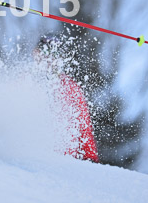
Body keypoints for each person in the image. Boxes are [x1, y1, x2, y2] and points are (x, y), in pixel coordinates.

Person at [33, 33, 99, 162]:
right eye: (46, 52)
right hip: (33, 156)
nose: (50, 59)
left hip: (64, 160)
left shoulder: (70, 89)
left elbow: (84, 126)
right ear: (36, 53)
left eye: (56, 55)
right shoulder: (25, 81)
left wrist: (91, 158)